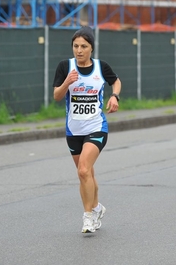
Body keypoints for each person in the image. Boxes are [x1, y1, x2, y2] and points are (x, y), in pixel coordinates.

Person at [53, 26, 121, 233]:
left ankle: (88, 217)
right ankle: (97, 207)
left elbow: (115, 81)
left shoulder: (101, 67)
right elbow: (56, 96)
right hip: (73, 131)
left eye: (84, 46)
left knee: (83, 169)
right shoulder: (66, 66)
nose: (79, 50)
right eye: (75, 46)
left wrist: (114, 96)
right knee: (86, 173)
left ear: (91, 48)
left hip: (96, 127)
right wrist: (67, 82)